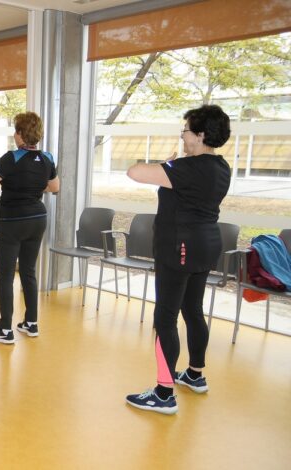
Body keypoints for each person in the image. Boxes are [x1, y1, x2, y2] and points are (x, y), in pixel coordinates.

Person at [124, 105, 232, 415]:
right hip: (205, 245)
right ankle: (195, 374)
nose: (182, 135)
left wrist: (166, 162)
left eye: (185, 130)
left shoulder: (188, 168)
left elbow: (134, 171)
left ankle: (163, 392)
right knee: (193, 310)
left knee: (165, 318)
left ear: (199, 135)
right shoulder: (221, 166)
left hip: (179, 247)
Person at [0, 112, 59, 344]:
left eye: (16, 130)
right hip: (38, 219)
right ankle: (31, 323)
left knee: (5, 276)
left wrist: (13, 183)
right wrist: (31, 186)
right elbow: (54, 187)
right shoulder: (47, 158)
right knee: (28, 271)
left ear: (20, 134)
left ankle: (5, 330)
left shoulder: (11, 158)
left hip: (13, 222)